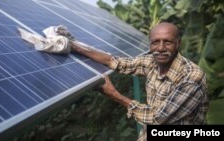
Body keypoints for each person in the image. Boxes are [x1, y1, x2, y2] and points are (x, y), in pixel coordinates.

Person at [70, 22, 209, 141]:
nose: (160, 48)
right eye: (155, 42)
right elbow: (117, 62)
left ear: (178, 43)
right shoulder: (151, 62)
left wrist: (114, 94)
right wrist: (76, 48)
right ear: (150, 44)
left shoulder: (191, 77)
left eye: (168, 42)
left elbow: (158, 119)